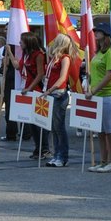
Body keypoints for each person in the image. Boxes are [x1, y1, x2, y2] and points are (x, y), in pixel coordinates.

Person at [86, 25, 111, 171]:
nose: (95, 33)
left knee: (110, 128)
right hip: (97, 95)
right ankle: (103, 160)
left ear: (106, 35)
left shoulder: (110, 53)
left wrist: (93, 90)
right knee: (100, 130)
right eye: (95, 31)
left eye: (98, 31)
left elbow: (108, 75)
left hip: (108, 95)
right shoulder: (99, 52)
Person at [44, 32, 77, 167]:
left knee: (59, 127)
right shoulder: (54, 58)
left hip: (58, 93)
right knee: (53, 127)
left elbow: (62, 78)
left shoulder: (65, 58)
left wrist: (49, 90)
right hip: (51, 93)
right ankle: (56, 154)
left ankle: (62, 156)